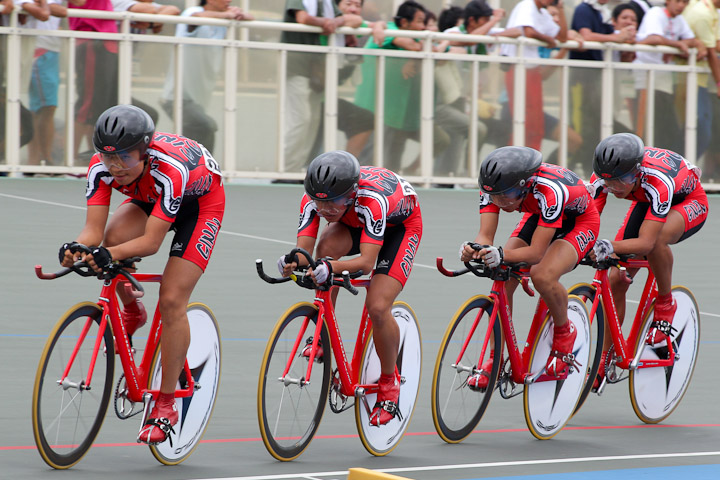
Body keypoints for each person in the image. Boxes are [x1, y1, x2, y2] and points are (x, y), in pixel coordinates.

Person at [58, 104, 225, 445]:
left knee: (173, 298)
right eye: (108, 158)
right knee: (113, 238)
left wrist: (107, 255)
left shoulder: (170, 168)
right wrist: (77, 246)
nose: (115, 167)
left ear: (145, 152)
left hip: (200, 206)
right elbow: (94, 230)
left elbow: (150, 242)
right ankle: (132, 310)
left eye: (124, 158)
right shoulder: (101, 168)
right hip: (151, 196)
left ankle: (165, 405)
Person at [278, 150, 422, 426]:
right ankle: (321, 335)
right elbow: (303, 253)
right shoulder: (313, 200)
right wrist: (290, 261)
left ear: (353, 193)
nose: (326, 210)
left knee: (378, 307)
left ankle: (390, 383)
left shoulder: (372, 201)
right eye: (320, 204)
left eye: (334, 203)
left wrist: (330, 268)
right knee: (326, 249)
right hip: (356, 222)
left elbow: (367, 263)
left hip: (400, 228)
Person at [460, 146, 599, 388]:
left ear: (525, 184)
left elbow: (535, 253)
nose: (501, 202)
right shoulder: (493, 189)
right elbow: (485, 236)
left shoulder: (549, 191)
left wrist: (501, 254)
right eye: (496, 197)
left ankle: (565, 333)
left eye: (508, 195)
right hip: (539, 215)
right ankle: (495, 359)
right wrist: (475, 249)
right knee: (503, 275)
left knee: (542, 275)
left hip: (579, 220)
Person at [588, 133, 708, 385]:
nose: (614, 188)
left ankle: (666, 304)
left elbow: (646, 242)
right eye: (608, 182)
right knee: (615, 280)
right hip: (646, 199)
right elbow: (587, 224)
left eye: (621, 181)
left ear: (638, 171)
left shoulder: (657, 181)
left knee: (657, 240)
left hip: (686, 200)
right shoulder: (604, 179)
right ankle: (605, 357)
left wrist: (608, 245)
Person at [353, 1, 450, 174]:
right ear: (404, 22)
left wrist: (414, 60)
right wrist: (420, 53)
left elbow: (438, 53)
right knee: (367, 164)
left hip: (396, 113)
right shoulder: (390, 30)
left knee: (390, 167)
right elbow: (414, 45)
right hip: (372, 112)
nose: (423, 27)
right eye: (420, 21)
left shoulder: (409, 36)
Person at [161, 0, 252, 153]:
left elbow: (251, 17)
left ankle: (195, 173)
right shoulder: (193, 12)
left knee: (192, 140)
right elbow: (195, 18)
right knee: (206, 126)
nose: (228, 1)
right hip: (176, 97)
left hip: (197, 100)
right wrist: (227, 14)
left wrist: (239, 14)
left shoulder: (221, 20)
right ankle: (207, 172)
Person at [568, 0, 637, 175]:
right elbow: (587, 35)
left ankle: (591, 172)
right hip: (582, 82)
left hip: (598, 85)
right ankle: (559, 170)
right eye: (625, 17)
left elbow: (615, 44)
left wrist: (626, 40)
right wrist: (616, 38)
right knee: (581, 131)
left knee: (595, 130)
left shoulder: (602, 13)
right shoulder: (584, 9)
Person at [633, 0, 703, 155]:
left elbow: (691, 40)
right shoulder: (655, 13)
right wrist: (677, 45)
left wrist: (675, 45)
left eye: (685, 2)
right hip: (645, 77)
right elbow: (654, 38)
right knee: (642, 127)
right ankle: (637, 163)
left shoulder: (678, 19)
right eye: (678, 1)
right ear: (668, 1)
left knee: (664, 125)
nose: (681, 6)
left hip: (663, 79)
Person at [500, 0, 567, 151]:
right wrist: (548, 39)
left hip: (531, 70)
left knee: (536, 126)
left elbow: (562, 37)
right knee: (523, 124)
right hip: (518, 69)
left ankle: (532, 164)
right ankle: (515, 163)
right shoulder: (527, 5)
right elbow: (528, 31)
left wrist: (560, 9)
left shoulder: (542, 13)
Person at [14, 0, 66, 168]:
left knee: (47, 107)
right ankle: (39, 161)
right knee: (43, 108)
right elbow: (45, 13)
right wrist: (46, 6)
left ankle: (40, 161)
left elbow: (68, 7)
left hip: (52, 49)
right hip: (39, 47)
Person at [681, 0, 720, 158]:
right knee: (698, 129)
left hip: (698, 81)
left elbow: (715, 45)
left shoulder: (711, 12)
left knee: (701, 129)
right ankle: (682, 172)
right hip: (688, 81)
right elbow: (711, 53)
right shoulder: (703, 13)